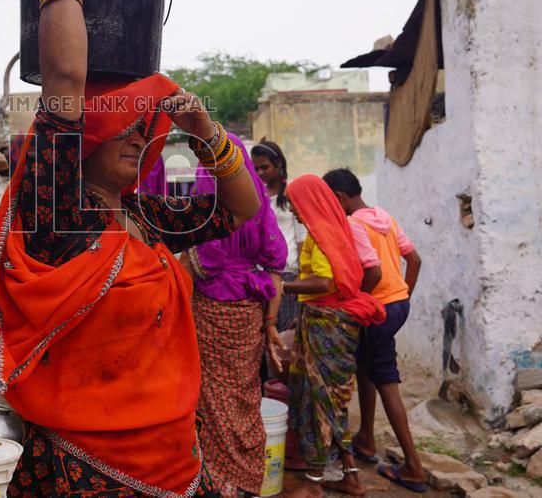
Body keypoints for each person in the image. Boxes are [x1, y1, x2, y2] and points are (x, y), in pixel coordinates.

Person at [0, 0, 261, 497]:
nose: (139, 139)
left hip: (174, 462)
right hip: (87, 471)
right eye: (121, 128)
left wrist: (207, 134)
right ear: (85, 140)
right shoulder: (58, 215)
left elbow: (243, 210)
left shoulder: (145, 217)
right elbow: (66, 81)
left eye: (145, 130)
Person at [182, 134, 288, 498]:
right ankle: (244, 479)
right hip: (250, 316)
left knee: (211, 401)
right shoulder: (260, 209)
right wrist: (271, 325)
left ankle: (218, 482)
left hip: (210, 313)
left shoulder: (206, 212)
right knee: (244, 396)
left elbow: (189, 274)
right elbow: (276, 271)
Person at [323, 168, 428, 493]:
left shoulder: (354, 224)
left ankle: (413, 466)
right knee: (365, 367)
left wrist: (359, 302)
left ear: (339, 198)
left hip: (378, 309)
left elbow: (375, 273)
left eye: (331, 203)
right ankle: (366, 439)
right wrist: (404, 295)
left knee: (386, 380)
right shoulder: (384, 217)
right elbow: (414, 259)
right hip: (397, 306)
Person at [282, 174, 386, 498]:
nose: (295, 212)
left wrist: (281, 286)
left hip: (328, 324)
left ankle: (313, 483)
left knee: (319, 400)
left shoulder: (324, 233)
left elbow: (325, 283)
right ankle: (351, 475)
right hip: (326, 322)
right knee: (332, 404)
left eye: (297, 205)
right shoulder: (332, 228)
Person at [250, 140, 305, 331]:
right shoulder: (254, 196)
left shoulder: (292, 193)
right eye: (255, 168)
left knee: (284, 333)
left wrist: (302, 277)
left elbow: (301, 237)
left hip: (287, 273)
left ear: (278, 164)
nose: (260, 173)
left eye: (265, 167)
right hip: (260, 273)